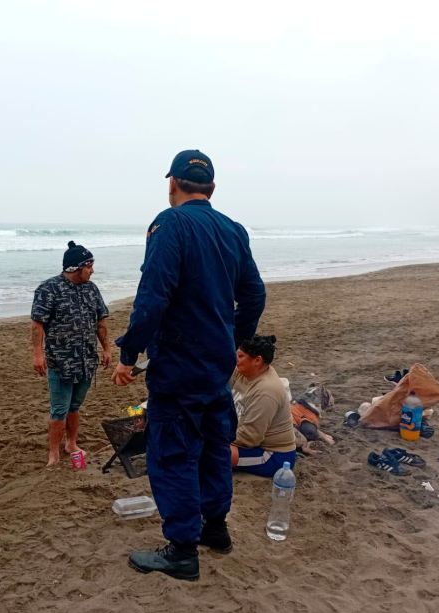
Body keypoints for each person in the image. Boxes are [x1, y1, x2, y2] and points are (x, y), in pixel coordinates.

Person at [112, 149, 266, 581]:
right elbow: (254, 295)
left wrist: (129, 354)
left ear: (172, 185)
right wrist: (232, 338)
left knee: (174, 454)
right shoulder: (233, 230)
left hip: (179, 365)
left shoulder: (169, 224)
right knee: (214, 446)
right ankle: (215, 529)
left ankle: (182, 549)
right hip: (215, 366)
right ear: (211, 190)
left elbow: (152, 298)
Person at [31, 241, 112, 466]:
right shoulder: (48, 289)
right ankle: (54, 452)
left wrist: (106, 349)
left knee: (75, 407)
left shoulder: (91, 288)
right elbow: (37, 324)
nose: (92, 270)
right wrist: (38, 354)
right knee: (59, 409)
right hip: (60, 361)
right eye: (89, 266)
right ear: (74, 268)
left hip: (87, 360)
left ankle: (71, 443)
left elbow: (101, 321)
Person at [230, 335, 297, 476]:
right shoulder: (243, 371)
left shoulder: (266, 391)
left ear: (257, 361)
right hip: (251, 440)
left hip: (273, 455)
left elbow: (249, 438)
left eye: (241, 356)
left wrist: (216, 438)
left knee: (213, 453)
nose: (236, 359)